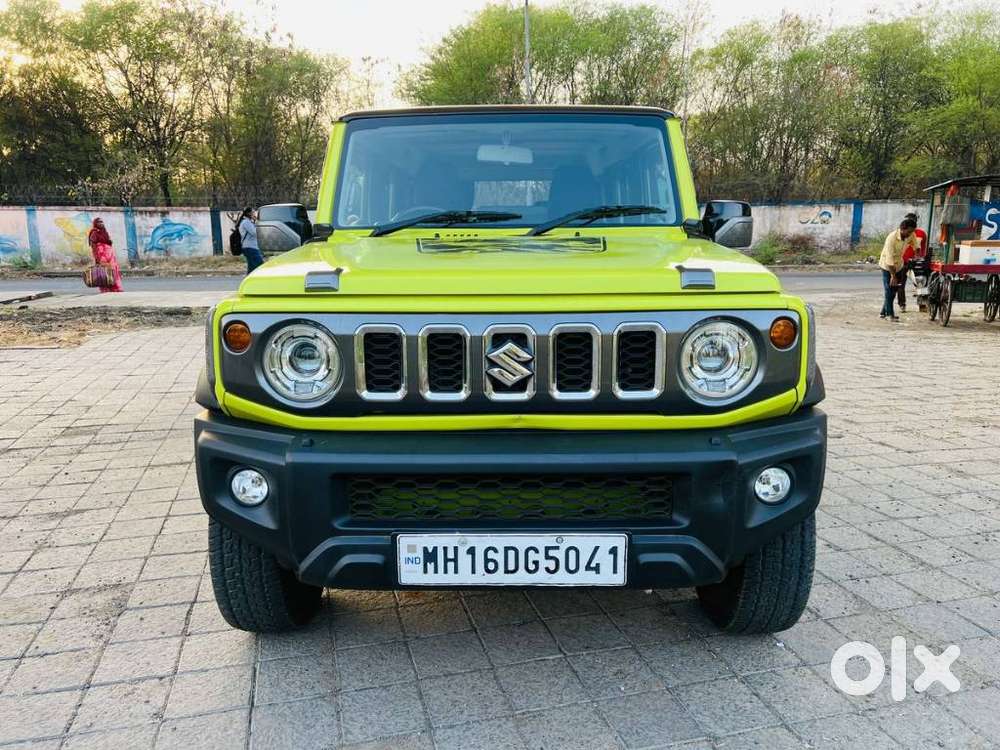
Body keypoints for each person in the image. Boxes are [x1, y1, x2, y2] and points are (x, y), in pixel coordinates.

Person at [879, 218, 917, 321]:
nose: (910, 234)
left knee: (894, 290)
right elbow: (889, 260)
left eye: (911, 232)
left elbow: (915, 245)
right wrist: (893, 276)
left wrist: (917, 255)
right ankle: (890, 315)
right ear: (902, 229)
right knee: (889, 290)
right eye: (908, 232)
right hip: (887, 266)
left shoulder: (910, 234)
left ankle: (883, 312)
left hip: (899, 264)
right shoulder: (891, 239)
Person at [895, 212, 927, 312]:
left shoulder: (922, 233)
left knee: (920, 282)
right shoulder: (900, 233)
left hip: (916, 261)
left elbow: (923, 249)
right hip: (903, 261)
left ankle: (922, 304)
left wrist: (921, 259)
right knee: (901, 283)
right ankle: (902, 304)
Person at [87, 217, 123, 293]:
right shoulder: (94, 233)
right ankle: (105, 289)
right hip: (102, 255)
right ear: (95, 224)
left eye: (102, 222)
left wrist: (109, 242)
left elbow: (108, 243)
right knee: (104, 272)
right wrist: (97, 258)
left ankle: (115, 288)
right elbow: (93, 247)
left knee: (113, 271)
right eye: (99, 222)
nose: (101, 223)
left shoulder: (105, 232)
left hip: (110, 255)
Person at [238, 207, 264, 274]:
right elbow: (255, 233)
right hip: (250, 247)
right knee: (260, 264)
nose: (254, 214)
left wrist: (255, 222)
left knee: (251, 268)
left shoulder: (248, 222)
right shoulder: (246, 222)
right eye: (253, 212)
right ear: (248, 213)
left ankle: (249, 280)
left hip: (250, 247)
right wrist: (257, 222)